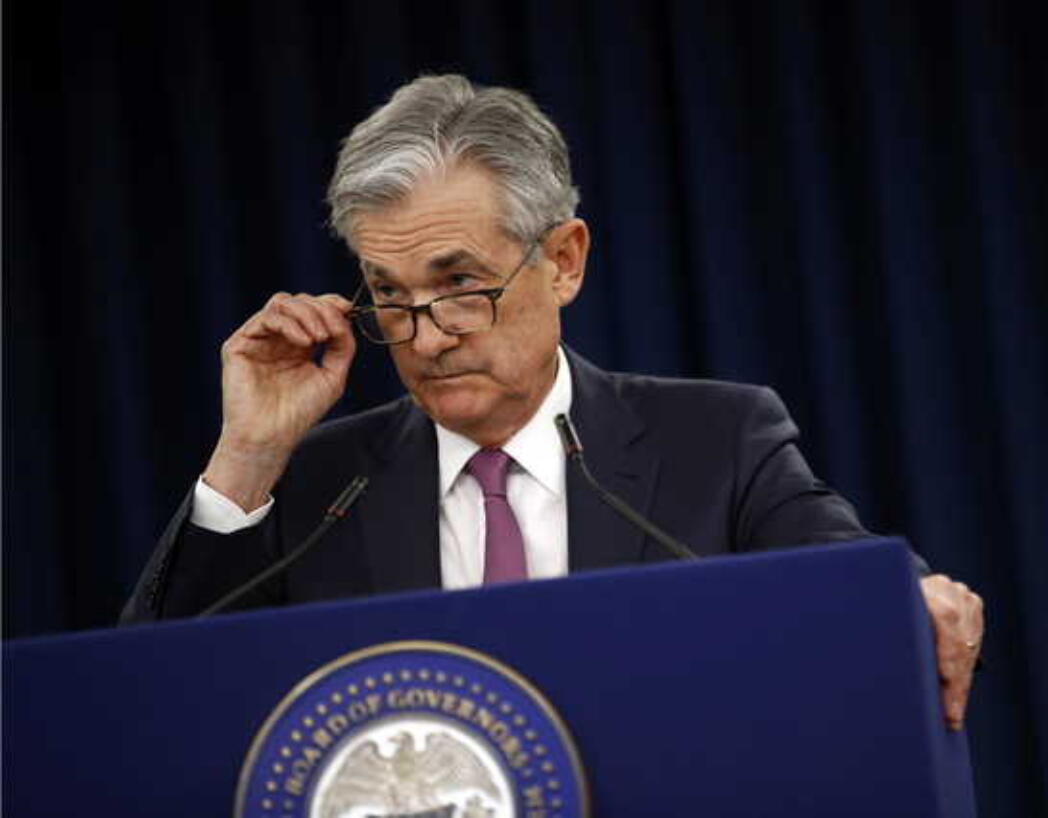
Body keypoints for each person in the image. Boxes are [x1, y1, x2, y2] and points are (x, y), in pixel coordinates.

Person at [121, 74, 984, 730]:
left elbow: (852, 576)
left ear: (564, 260)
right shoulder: (314, 486)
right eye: (388, 293)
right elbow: (151, 701)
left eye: (459, 284)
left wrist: (916, 597)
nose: (423, 339)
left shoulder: (718, 440)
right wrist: (248, 454)